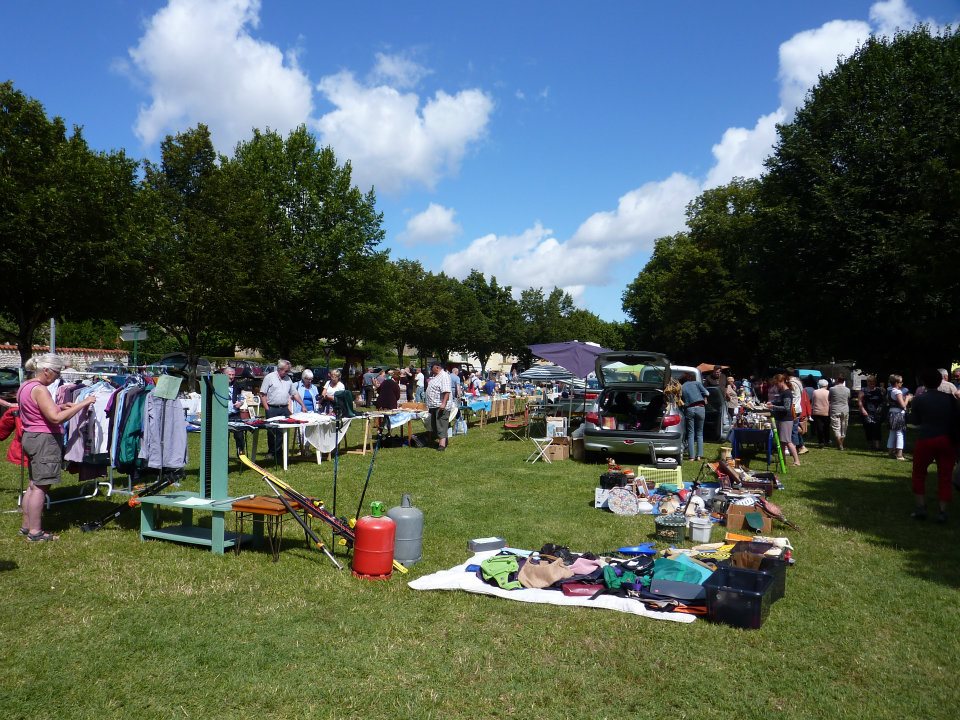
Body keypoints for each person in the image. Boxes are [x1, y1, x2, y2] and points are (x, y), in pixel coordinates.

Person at [17, 354, 97, 542]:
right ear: (46, 370)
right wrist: (82, 404)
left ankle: (26, 526)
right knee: (41, 487)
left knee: (33, 484)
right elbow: (55, 418)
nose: (57, 376)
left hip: (30, 436)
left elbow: (37, 410)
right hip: (44, 439)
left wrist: (60, 405)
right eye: (57, 372)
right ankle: (35, 532)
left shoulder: (25, 386)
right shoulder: (40, 389)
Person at [909, 368, 959, 522]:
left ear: (923, 382)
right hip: (946, 439)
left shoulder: (919, 399)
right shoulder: (950, 399)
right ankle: (942, 511)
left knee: (919, 474)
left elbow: (915, 421)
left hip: (925, 438)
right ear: (941, 381)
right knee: (945, 476)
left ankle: (920, 507)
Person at [259, 360, 304, 465]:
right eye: (286, 371)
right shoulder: (269, 377)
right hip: (272, 408)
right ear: (279, 369)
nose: (287, 373)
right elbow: (262, 393)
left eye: (288, 371)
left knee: (283, 431)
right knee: (272, 431)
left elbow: (295, 393)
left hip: (284, 408)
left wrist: (303, 405)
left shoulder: (288, 379)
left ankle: (279, 452)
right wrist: (267, 408)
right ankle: (271, 452)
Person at [766, 373, 801, 466]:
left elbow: (786, 407)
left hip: (786, 419)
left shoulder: (787, 393)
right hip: (782, 419)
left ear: (781, 382)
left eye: (777, 384)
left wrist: (773, 407)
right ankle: (783, 461)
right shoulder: (783, 392)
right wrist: (772, 402)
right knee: (782, 442)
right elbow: (780, 402)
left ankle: (797, 461)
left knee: (788, 441)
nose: (776, 386)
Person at [680, 372, 709, 461]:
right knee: (700, 432)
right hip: (700, 408)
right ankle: (699, 455)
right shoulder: (697, 383)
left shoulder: (681, 387)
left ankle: (691, 456)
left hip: (689, 409)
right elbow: (707, 393)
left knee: (690, 433)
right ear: (691, 378)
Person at [425, 362, 452, 451]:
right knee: (435, 425)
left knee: (441, 424)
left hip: (440, 405)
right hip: (433, 405)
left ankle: (442, 445)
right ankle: (442, 441)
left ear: (436, 367)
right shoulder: (437, 376)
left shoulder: (444, 376)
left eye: (431, 367)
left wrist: (443, 403)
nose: (430, 369)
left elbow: (446, 391)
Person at [221, 367, 247, 454]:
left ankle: (241, 455)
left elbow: (242, 398)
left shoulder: (237, 385)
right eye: (229, 375)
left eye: (233, 375)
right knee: (224, 437)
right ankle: (224, 457)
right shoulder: (218, 386)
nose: (231, 377)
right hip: (223, 415)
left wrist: (240, 403)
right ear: (224, 375)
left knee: (239, 436)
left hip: (235, 414)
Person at [886, 374, 911, 460]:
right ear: (896, 383)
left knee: (892, 433)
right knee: (899, 433)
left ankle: (890, 452)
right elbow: (903, 405)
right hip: (898, 414)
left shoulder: (889, 390)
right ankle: (899, 454)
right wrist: (907, 398)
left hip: (891, 413)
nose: (902, 383)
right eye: (900, 382)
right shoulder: (898, 392)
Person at [857, 375, 885, 451]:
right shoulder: (863, 390)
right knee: (868, 428)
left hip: (877, 412)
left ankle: (877, 446)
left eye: (873, 382)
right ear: (867, 382)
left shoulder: (879, 390)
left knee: (877, 428)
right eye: (870, 382)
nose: (871, 383)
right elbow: (859, 401)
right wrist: (862, 410)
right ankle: (870, 445)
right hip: (867, 411)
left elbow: (882, 401)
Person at [827, 377, 851, 451]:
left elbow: (829, 399)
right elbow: (848, 398)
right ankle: (841, 443)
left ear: (837, 380)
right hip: (845, 409)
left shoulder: (832, 389)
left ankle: (840, 444)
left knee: (836, 427)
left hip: (835, 409)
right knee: (844, 426)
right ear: (844, 381)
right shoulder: (847, 389)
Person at [788, 371, 809, 455]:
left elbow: (790, 396)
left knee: (793, 430)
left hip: (793, 408)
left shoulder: (792, 383)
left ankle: (796, 448)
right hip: (797, 408)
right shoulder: (799, 383)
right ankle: (801, 446)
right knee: (795, 429)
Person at [812, 379, 831, 448]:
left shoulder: (815, 392)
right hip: (826, 411)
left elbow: (813, 401)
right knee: (826, 427)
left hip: (817, 411)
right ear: (826, 385)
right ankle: (827, 440)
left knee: (819, 427)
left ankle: (821, 441)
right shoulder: (828, 392)